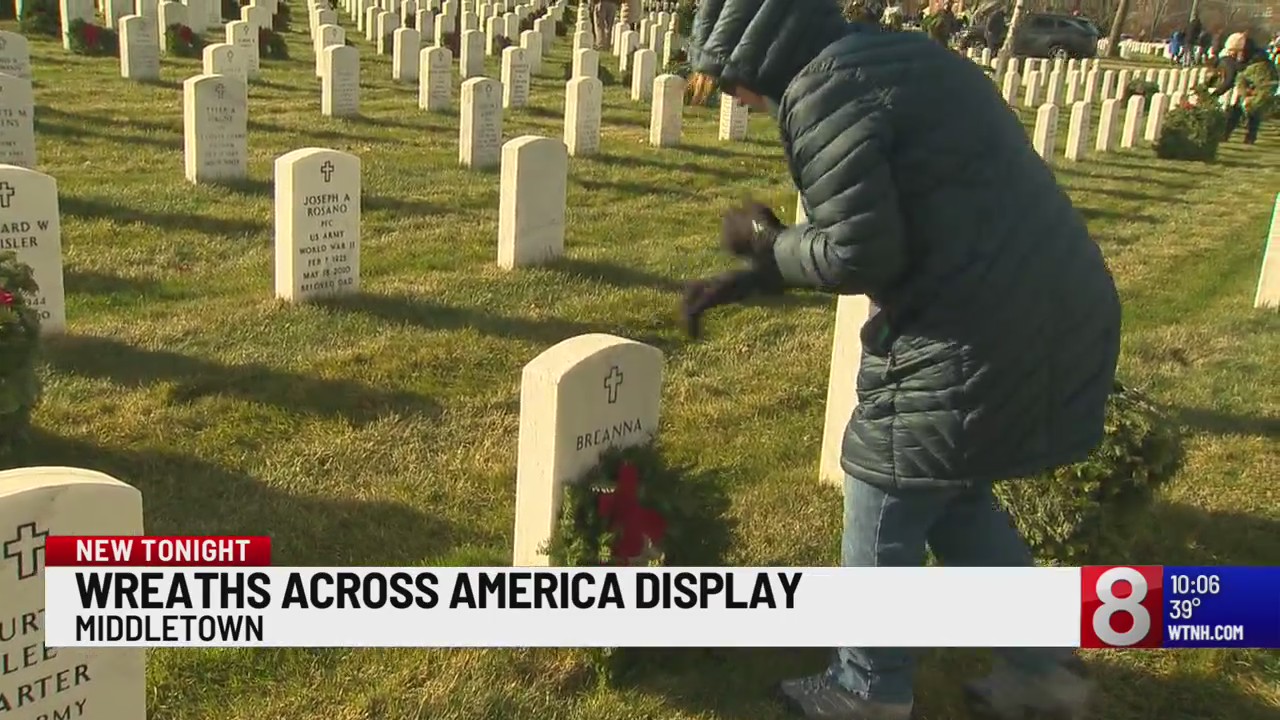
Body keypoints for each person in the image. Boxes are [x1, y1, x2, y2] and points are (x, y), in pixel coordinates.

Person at [681, 0, 1121, 718]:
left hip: (975, 324)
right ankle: (1044, 673)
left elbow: (862, 251)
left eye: (728, 80)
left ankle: (866, 688)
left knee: (884, 478)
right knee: (952, 495)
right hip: (1053, 300)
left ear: (754, 49)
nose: (736, 99)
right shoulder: (888, 55)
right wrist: (762, 269)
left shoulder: (822, 88)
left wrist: (769, 245)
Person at [1216, 32, 1276, 144]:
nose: (1231, 54)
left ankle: (1229, 134)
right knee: (1244, 109)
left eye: (1233, 51)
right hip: (1256, 86)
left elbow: (1235, 78)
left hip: (1260, 87)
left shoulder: (1255, 62)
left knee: (1247, 108)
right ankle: (1246, 137)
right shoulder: (1256, 56)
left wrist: (1217, 93)